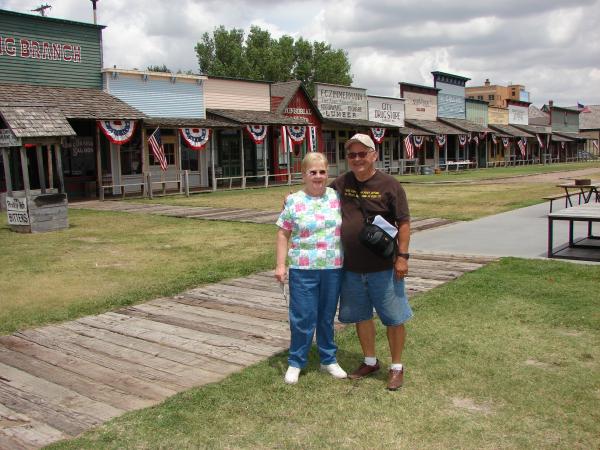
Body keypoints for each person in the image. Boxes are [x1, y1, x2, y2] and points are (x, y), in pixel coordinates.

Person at [330, 133, 412, 391]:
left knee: (393, 317)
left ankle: (396, 367)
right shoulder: (341, 183)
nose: (357, 159)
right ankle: (369, 361)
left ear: (373, 155)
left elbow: (404, 222)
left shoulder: (390, 184)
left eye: (362, 153)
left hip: (384, 267)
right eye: (352, 154)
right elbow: (317, 196)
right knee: (361, 317)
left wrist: (403, 257)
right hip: (351, 268)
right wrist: (294, 200)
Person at [275, 152, 347, 385]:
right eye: (312, 172)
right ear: (304, 175)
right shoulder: (294, 200)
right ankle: (296, 361)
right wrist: (280, 265)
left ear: (328, 173)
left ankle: (328, 359)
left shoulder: (336, 197)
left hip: (333, 267)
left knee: (326, 316)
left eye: (322, 172)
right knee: (303, 317)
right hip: (303, 268)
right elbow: (283, 233)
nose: (318, 176)